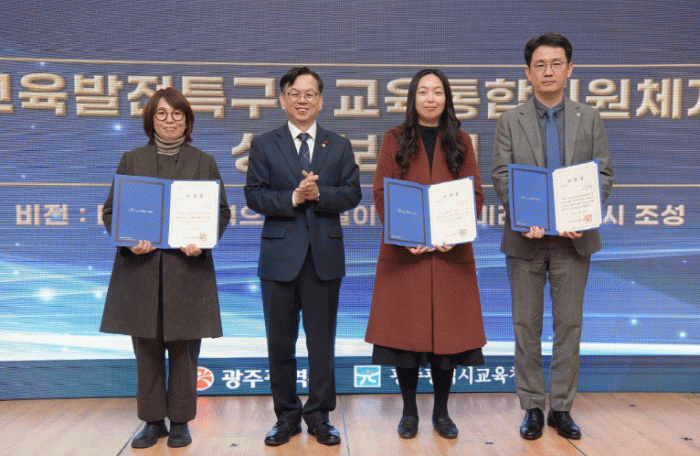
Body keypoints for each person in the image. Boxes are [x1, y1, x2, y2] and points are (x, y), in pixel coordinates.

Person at [491, 33, 614, 441]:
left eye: (556, 64)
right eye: (540, 65)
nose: (548, 71)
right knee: (525, 325)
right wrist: (523, 215)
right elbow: (501, 175)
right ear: (527, 73)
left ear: (569, 69)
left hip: (573, 241)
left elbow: (603, 174)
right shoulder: (511, 119)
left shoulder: (589, 117)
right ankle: (531, 406)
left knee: (569, 326)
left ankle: (561, 407)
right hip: (525, 239)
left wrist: (584, 214)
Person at [101, 87, 231, 449]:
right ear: (150, 120)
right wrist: (128, 239)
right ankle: (152, 421)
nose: (169, 121)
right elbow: (111, 211)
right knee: (146, 350)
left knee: (184, 351)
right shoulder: (132, 160)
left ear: (187, 121)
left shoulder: (204, 162)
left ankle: (181, 422)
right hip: (141, 271)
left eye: (177, 114)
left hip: (187, 271)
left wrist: (202, 240)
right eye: (161, 114)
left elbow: (220, 212)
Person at [365, 68, 487, 440]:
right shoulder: (394, 138)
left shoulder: (461, 140)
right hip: (407, 254)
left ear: (447, 98)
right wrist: (403, 235)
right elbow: (382, 191)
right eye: (423, 92)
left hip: (450, 255)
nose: (430, 98)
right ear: (413, 98)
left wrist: (457, 233)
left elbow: (474, 193)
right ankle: (408, 412)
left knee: (445, 343)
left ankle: (441, 412)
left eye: (437, 92)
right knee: (406, 339)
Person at [244, 67, 362, 447]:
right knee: (280, 343)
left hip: (324, 258)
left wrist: (320, 195)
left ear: (321, 101)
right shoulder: (265, 144)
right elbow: (254, 194)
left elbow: (353, 193)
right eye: (294, 93)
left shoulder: (338, 145)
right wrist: (293, 198)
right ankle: (286, 417)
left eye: (310, 94)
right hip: (279, 258)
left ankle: (320, 417)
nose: (302, 100)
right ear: (282, 100)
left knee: (321, 344)